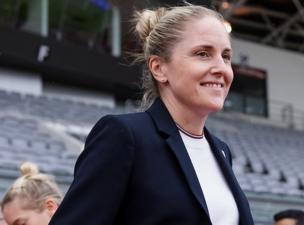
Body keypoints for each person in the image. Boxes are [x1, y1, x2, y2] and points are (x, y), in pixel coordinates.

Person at [48, 4, 254, 225]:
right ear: (159, 68)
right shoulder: (125, 136)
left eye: (226, 56)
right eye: (203, 54)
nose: (221, 68)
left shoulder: (222, 151)